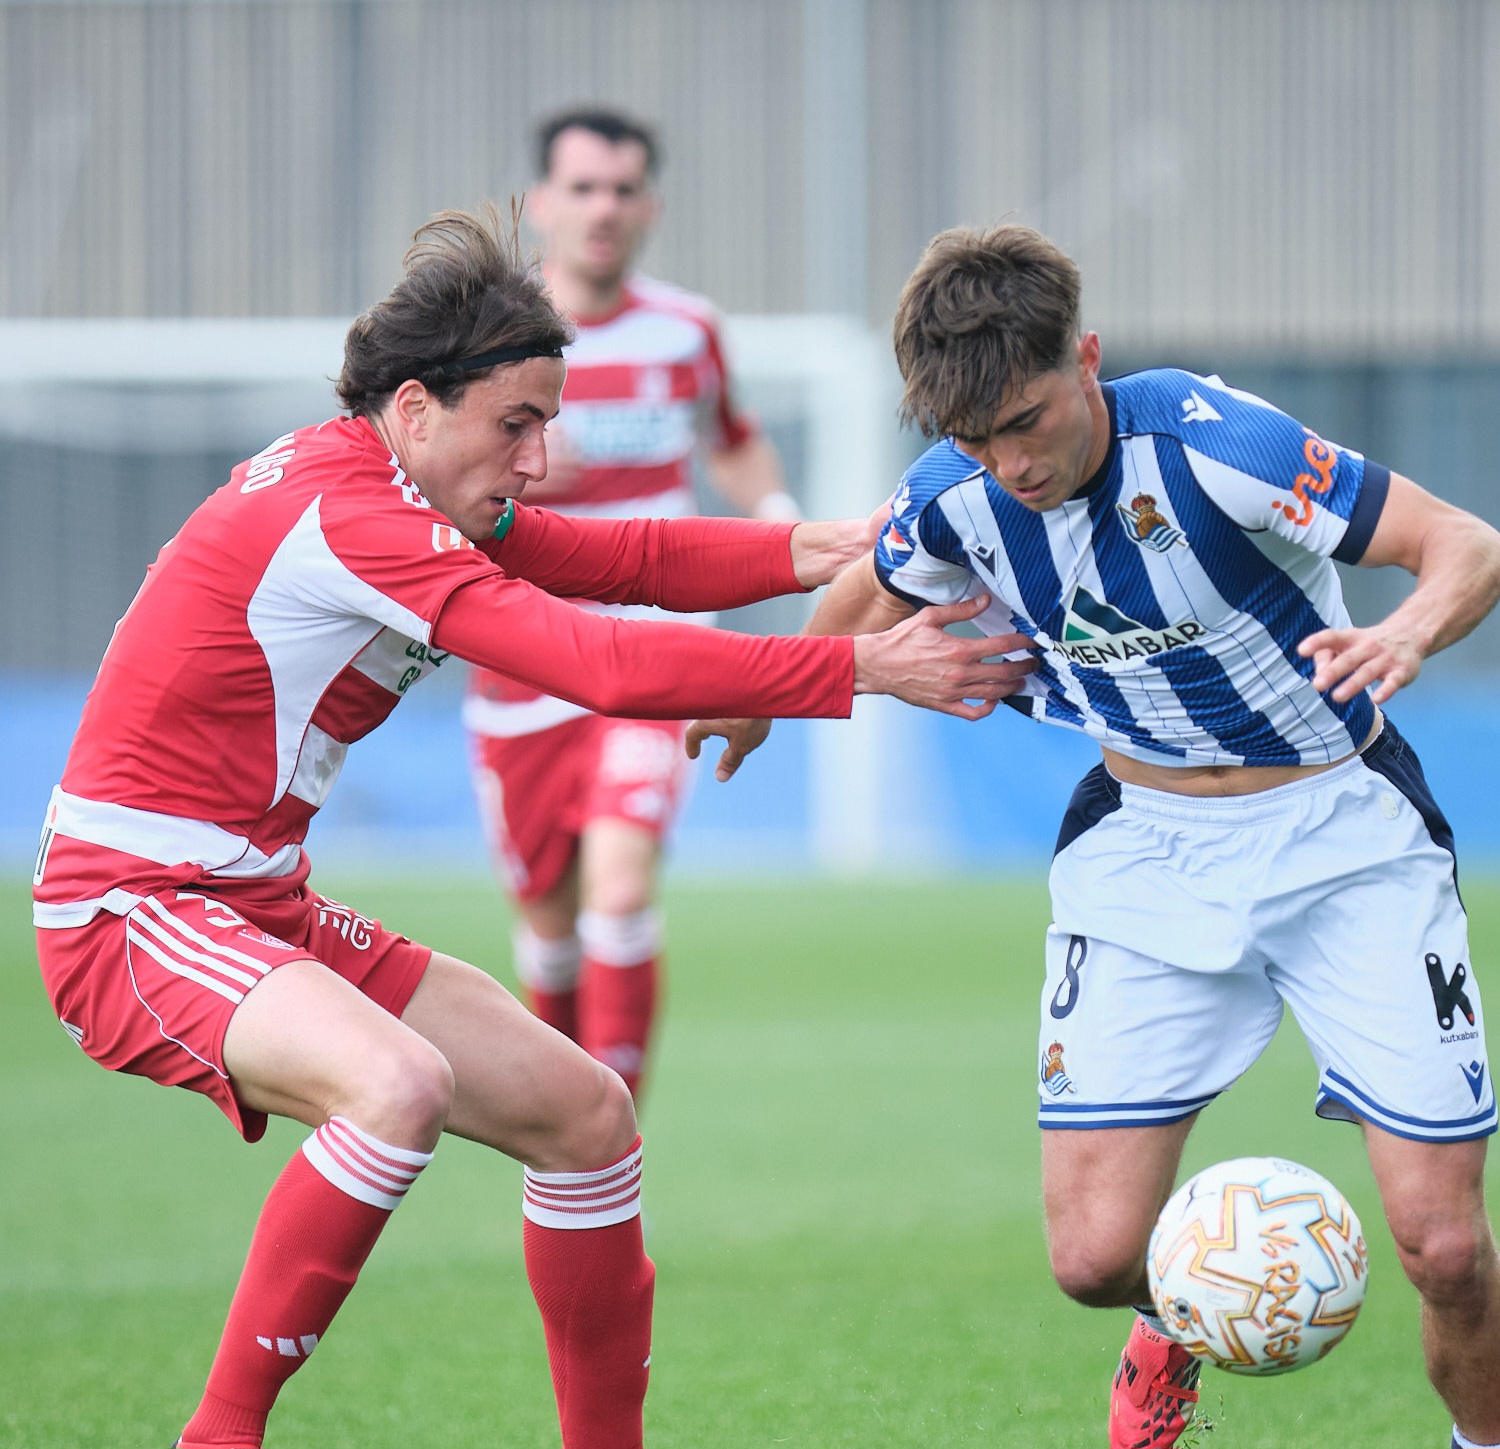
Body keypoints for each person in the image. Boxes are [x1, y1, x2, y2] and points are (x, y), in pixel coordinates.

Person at [29, 207, 1032, 1449]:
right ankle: (218, 1437)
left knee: (588, 1117)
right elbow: (593, 658)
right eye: (518, 422)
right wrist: (862, 672)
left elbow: (622, 558)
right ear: (413, 407)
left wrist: (822, 543)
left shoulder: (395, 486)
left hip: (250, 901)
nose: (540, 457)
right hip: (132, 907)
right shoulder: (357, 520)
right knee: (395, 1087)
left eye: (549, 421)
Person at [688, 225, 1500, 1449]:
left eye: (1027, 420)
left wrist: (1407, 631)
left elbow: (1473, 546)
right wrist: (777, 691)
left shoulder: (1214, 445)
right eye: (976, 438)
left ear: (1084, 357)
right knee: (1092, 1261)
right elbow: (876, 580)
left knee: (1444, 1248)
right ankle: (1180, 1316)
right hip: (1142, 848)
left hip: (1346, 835)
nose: (1010, 463)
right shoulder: (958, 489)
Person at [460, 108, 798, 1102]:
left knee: (620, 884)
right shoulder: (484, 338)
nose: (602, 209)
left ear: (648, 205)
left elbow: (732, 437)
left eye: (621, 189)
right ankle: (562, 1124)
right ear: (541, 205)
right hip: (523, 656)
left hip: (655, 642)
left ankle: (610, 1128)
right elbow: (422, 472)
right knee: (550, 928)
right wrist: (508, 464)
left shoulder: (686, 329)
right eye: (582, 188)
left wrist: (778, 525)